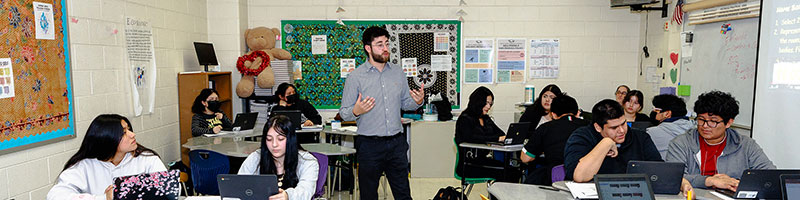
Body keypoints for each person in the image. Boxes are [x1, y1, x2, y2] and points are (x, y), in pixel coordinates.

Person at [338, 26, 424, 200]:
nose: (385, 48)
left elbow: (405, 104)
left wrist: (418, 101)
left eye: (386, 43)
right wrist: (356, 111)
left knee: (403, 194)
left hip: (396, 144)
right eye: (379, 45)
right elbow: (344, 113)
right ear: (367, 48)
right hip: (369, 146)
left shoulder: (398, 73)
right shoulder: (355, 77)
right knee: (369, 195)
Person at [666, 91, 775, 193]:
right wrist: (709, 181)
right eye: (701, 119)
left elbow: (770, 175)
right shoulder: (681, 143)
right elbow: (673, 176)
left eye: (713, 121)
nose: (705, 126)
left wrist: (737, 183)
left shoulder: (745, 145)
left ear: (728, 123)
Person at [48, 114, 166, 200]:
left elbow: (168, 190)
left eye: (129, 129)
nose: (132, 134)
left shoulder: (147, 160)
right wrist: (104, 198)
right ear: (108, 139)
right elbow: (55, 196)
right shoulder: (85, 166)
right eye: (124, 132)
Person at [564, 99, 662, 182]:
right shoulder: (582, 137)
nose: (622, 131)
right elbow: (580, 176)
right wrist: (606, 143)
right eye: (614, 128)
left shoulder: (640, 137)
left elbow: (660, 171)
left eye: (624, 124)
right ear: (598, 127)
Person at [239, 115, 319, 200]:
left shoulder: (307, 161)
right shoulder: (256, 157)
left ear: (290, 139)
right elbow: (239, 185)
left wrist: (288, 196)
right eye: (269, 139)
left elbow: (305, 190)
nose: (274, 144)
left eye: (280, 139)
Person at [521, 94, 588, 185]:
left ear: (553, 115)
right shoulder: (589, 126)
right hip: (587, 178)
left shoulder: (545, 128)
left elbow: (526, 158)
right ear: (577, 113)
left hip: (556, 179)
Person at [454, 86, 507, 181]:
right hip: (468, 164)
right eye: (486, 103)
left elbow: (500, 134)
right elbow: (472, 138)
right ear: (478, 101)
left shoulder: (485, 119)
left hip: (481, 161)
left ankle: (500, 196)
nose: (489, 107)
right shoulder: (465, 119)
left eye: (490, 104)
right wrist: (497, 138)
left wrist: (503, 137)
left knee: (511, 170)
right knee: (504, 171)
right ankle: (497, 196)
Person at [646, 94, 694, 159]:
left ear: (667, 114)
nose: (653, 112)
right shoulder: (695, 131)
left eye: (656, 110)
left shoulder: (650, 134)